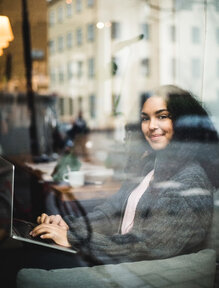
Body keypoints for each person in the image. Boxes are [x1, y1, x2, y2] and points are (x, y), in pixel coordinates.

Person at [30, 85, 219, 265]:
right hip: (112, 256)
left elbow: (147, 246)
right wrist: (68, 226)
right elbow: (111, 213)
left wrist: (75, 239)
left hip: (133, 270)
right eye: (145, 118)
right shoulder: (150, 167)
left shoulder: (190, 180)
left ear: (183, 123)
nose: (151, 126)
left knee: (37, 260)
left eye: (162, 116)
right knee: (35, 246)